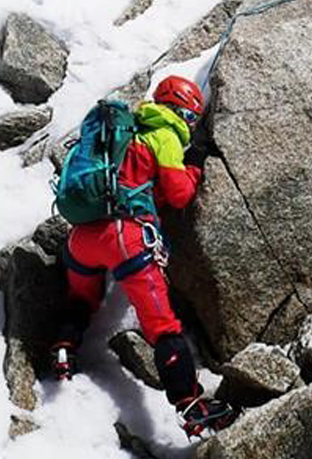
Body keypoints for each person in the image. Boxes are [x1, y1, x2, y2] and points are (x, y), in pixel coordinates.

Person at [52, 76, 238, 438]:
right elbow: (180, 192)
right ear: (182, 111)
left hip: (82, 236)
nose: (189, 123)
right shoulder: (163, 134)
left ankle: (63, 348)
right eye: (190, 116)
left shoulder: (123, 134)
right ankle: (191, 404)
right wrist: (196, 165)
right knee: (163, 326)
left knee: (81, 298)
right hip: (126, 238)